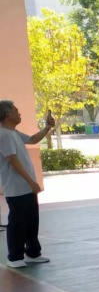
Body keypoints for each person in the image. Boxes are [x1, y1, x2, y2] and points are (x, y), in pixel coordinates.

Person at [0, 101, 53, 268]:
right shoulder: (3, 135)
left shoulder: (12, 132)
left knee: (31, 221)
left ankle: (32, 253)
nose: (19, 113)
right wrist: (31, 181)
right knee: (17, 223)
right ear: (8, 115)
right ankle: (14, 257)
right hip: (16, 189)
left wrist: (47, 128)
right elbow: (13, 161)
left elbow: (32, 139)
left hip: (27, 188)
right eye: (16, 110)